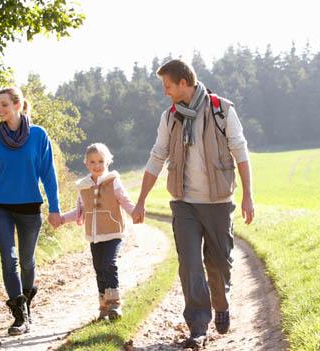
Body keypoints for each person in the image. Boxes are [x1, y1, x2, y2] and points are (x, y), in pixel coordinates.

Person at [131, 59, 255, 348]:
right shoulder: (170, 117)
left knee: (219, 263)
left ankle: (221, 304)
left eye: (168, 86)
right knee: (189, 265)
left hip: (218, 202)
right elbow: (157, 156)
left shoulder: (221, 109)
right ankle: (198, 326)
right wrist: (141, 201)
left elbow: (240, 151)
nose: (165, 92)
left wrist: (248, 195)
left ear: (183, 83)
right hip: (184, 202)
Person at [0, 86, 62, 336]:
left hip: (30, 207)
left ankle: (26, 305)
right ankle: (20, 316)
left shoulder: (39, 136)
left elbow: (48, 175)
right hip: (0, 207)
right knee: (8, 260)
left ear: (18, 106)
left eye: (4, 104)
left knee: (27, 261)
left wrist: (55, 208)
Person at [60, 143, 135, 320]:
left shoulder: (113, 181)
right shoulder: (83, 186)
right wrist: (62, 219)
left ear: (108, 161)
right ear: (86, 164)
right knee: (99, 268)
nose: (97, 165)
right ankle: (103, 306)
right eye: (92, 162)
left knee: (109, 263)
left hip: (113, 232)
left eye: (101, 161)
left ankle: (114, 304)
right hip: (94, 236)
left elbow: (124, 200)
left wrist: (134, 211)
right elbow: (79, 211)